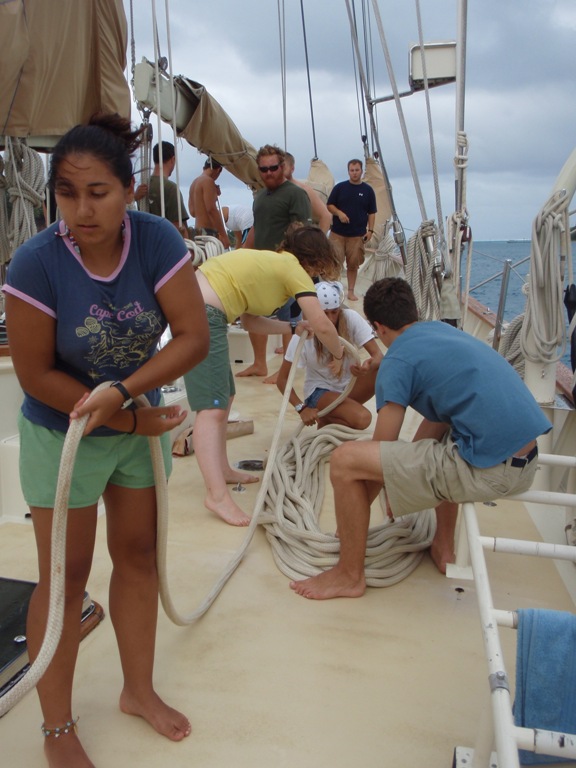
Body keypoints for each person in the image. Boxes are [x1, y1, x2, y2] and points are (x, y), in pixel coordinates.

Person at [2, 112, 209, 767]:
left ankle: (137, 690)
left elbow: (193, 336)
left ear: (130, 191)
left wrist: (124, 397)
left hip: (133, 422)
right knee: (65, 578)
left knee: (140, 555)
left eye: (98, 192)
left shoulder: (155, 241)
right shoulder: (35, 263)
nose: (82, 210)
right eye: (67, 193)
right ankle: (57, 729)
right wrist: (129, 417)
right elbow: (35, 375)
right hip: (61, 432)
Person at [289, 277, 552, 600]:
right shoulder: (442, 332)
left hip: (491, 470)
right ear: (412, 312)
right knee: (447, 436)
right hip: (526, 461)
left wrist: (351, 521)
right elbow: (437, 418)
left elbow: (379, 450)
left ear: (378, 327)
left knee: (345, 460)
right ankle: (443, 546)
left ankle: (348, 575)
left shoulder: (397, 361)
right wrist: (401, 478)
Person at [183, 224, 343, 527]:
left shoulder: (273, 265)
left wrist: (293, 327)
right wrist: (339, 354)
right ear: (314, 260)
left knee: (226, 396)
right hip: (202, 312)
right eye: (319, 269)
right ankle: (216, 496)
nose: (316, 276)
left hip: (203, 308)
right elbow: (322, 323)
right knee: (211, 408)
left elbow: (249, 322)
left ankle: (223, 470)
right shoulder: (293, 267)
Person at [238, 144, 312, 380]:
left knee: (289, 319)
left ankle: (285, 371)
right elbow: (257, 227)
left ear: (282, 166)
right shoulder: (260, 197)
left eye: (273, 168)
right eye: (264, 169)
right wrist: (242, 253)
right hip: (259, 267)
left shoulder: (295, 194)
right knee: (254, 312)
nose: (269, 173)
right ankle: (259, 364)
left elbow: (302, 232)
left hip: (285, 267)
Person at [276, 280, 382, 429]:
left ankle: (329, 418)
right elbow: (282, 379)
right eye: (325, 313)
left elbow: (378, 356)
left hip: (349, 387)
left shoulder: (350, 318)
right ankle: (330, 416)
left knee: (382, 369)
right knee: (363, 418)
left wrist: (367, 367)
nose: (331, 319)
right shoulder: (303, 335)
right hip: (320, 391)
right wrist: (301, 408)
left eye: (334, 312)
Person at [327, 158, 377, 302]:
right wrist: (339, 213)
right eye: (352, 170)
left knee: (353, 264)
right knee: (334, 262)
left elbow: (372, 212)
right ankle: (333, 290)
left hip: (357, 235)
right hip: (337, 233)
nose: (354, 173)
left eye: (357, 170)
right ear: (348, 171)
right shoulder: (340, 188)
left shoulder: (368, 190)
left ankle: (350, 291)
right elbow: (329, 205)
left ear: (361, 171)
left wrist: (370, 231)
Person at [134, 140, 189, 234]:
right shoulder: (171, 188)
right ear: (173, 159)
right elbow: (178, 227)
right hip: (166, 241)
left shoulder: (141, 189)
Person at [283, 152, 331, 234]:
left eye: (283, 167)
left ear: (292, 168)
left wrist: (318, 239)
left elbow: (326, 216)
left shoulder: (304, 190)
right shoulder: (267, 191)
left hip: (298, 239)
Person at [188, 158, 230, 248]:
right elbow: (211, 210)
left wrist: (213, 195)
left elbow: (193, 212)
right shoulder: (208, 181)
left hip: (197, 233)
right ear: (218, 170)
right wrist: (224, 235)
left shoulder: (194, 183)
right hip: (208, 234)